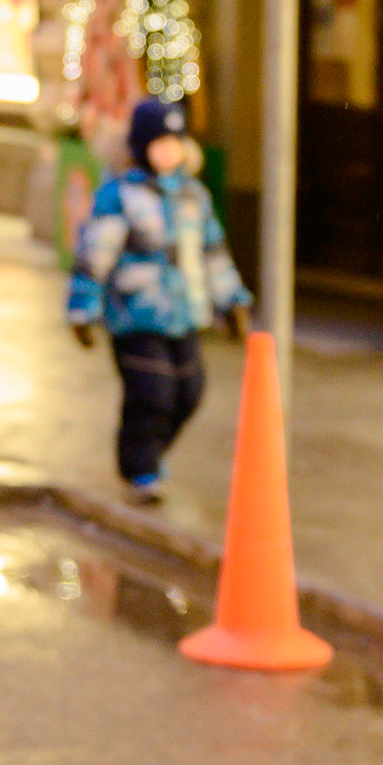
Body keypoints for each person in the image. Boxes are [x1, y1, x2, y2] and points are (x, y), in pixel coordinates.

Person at [67, 96, 252, 503]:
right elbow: (95, 255)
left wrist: (232, 302)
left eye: (176, 142)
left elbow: (214, 254)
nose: (169, 151)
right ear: (140, 147)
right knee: (152, 392)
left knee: (190, 391)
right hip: (135, 316)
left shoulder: (194, 197)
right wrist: (82, 310)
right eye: (159, 143)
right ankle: (140, 468)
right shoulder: (120, 196)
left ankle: (149, 454)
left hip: (185, 314)